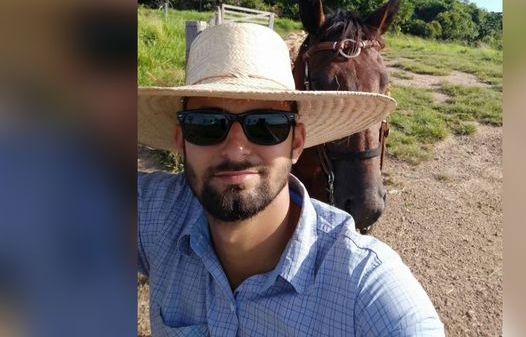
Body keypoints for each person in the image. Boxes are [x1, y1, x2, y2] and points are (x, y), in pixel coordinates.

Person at [138, 22, 445, 336]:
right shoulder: (161, 216)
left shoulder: (364, 285)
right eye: (207, 124)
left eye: (265, 124)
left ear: (297, 143)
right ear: (181, 140)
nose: (236, 149)